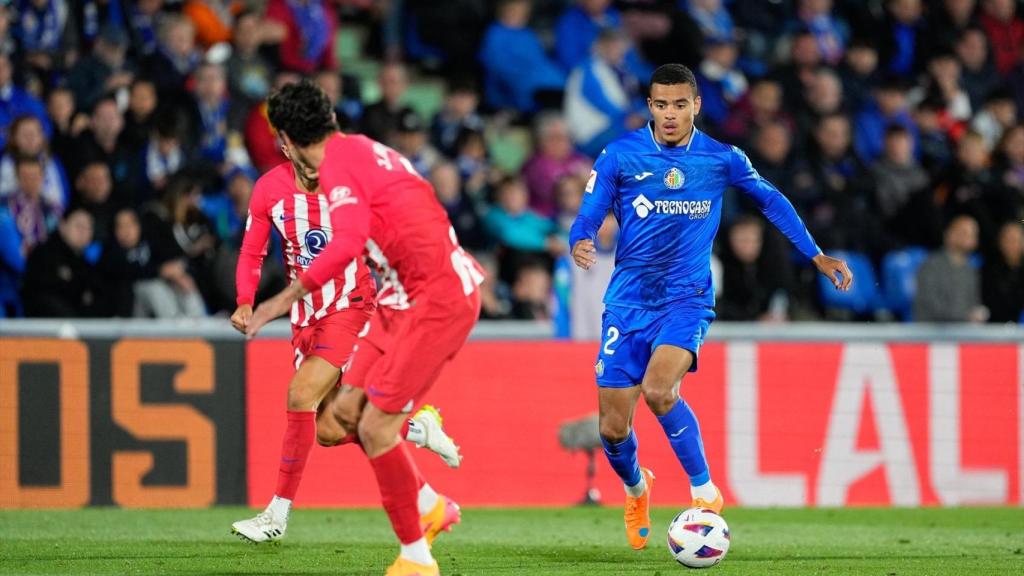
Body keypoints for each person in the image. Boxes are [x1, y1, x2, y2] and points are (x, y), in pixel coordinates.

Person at [568, 64, 851, 550]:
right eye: (661, 105)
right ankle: (638, 488)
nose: (670, 114)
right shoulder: (621, 155)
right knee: (613, 429)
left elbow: (772, 200)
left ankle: (705, 491)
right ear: (650, 106)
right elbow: (590, 212)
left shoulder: (722, 158)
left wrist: (815, 253)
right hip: (628, 302)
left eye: (680, 104)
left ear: (696, 105)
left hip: (687, 298)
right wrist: (582, 239)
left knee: (660, 390)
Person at [245, 80, 483, 576]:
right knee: (334, 423)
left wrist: (278, 302)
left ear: (286, 140)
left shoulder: (338, 169)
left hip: (435, 298)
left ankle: (417, 558)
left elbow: (348, 241)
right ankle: (430, 504)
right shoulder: (367, 151)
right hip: (399, 297)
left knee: (375, 427)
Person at [230, 153, 463, 546]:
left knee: (300, 393)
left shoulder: (349, 182)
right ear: (285, 145)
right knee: (328, 428)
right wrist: (244, 299)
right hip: (305, 315)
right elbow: (253, 251)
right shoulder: (270, 188)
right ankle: (420, 443)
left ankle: (277, 514)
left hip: (349, 304)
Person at [914, 214, 988, 323]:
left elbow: (974, 302)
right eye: (964, 233)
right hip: (933, 332)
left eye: (973, 234)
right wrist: (965, 316)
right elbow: (930, 304)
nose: (970, 237)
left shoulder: (970, 269)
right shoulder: (931, 265)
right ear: (949, 234)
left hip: (962, 331)